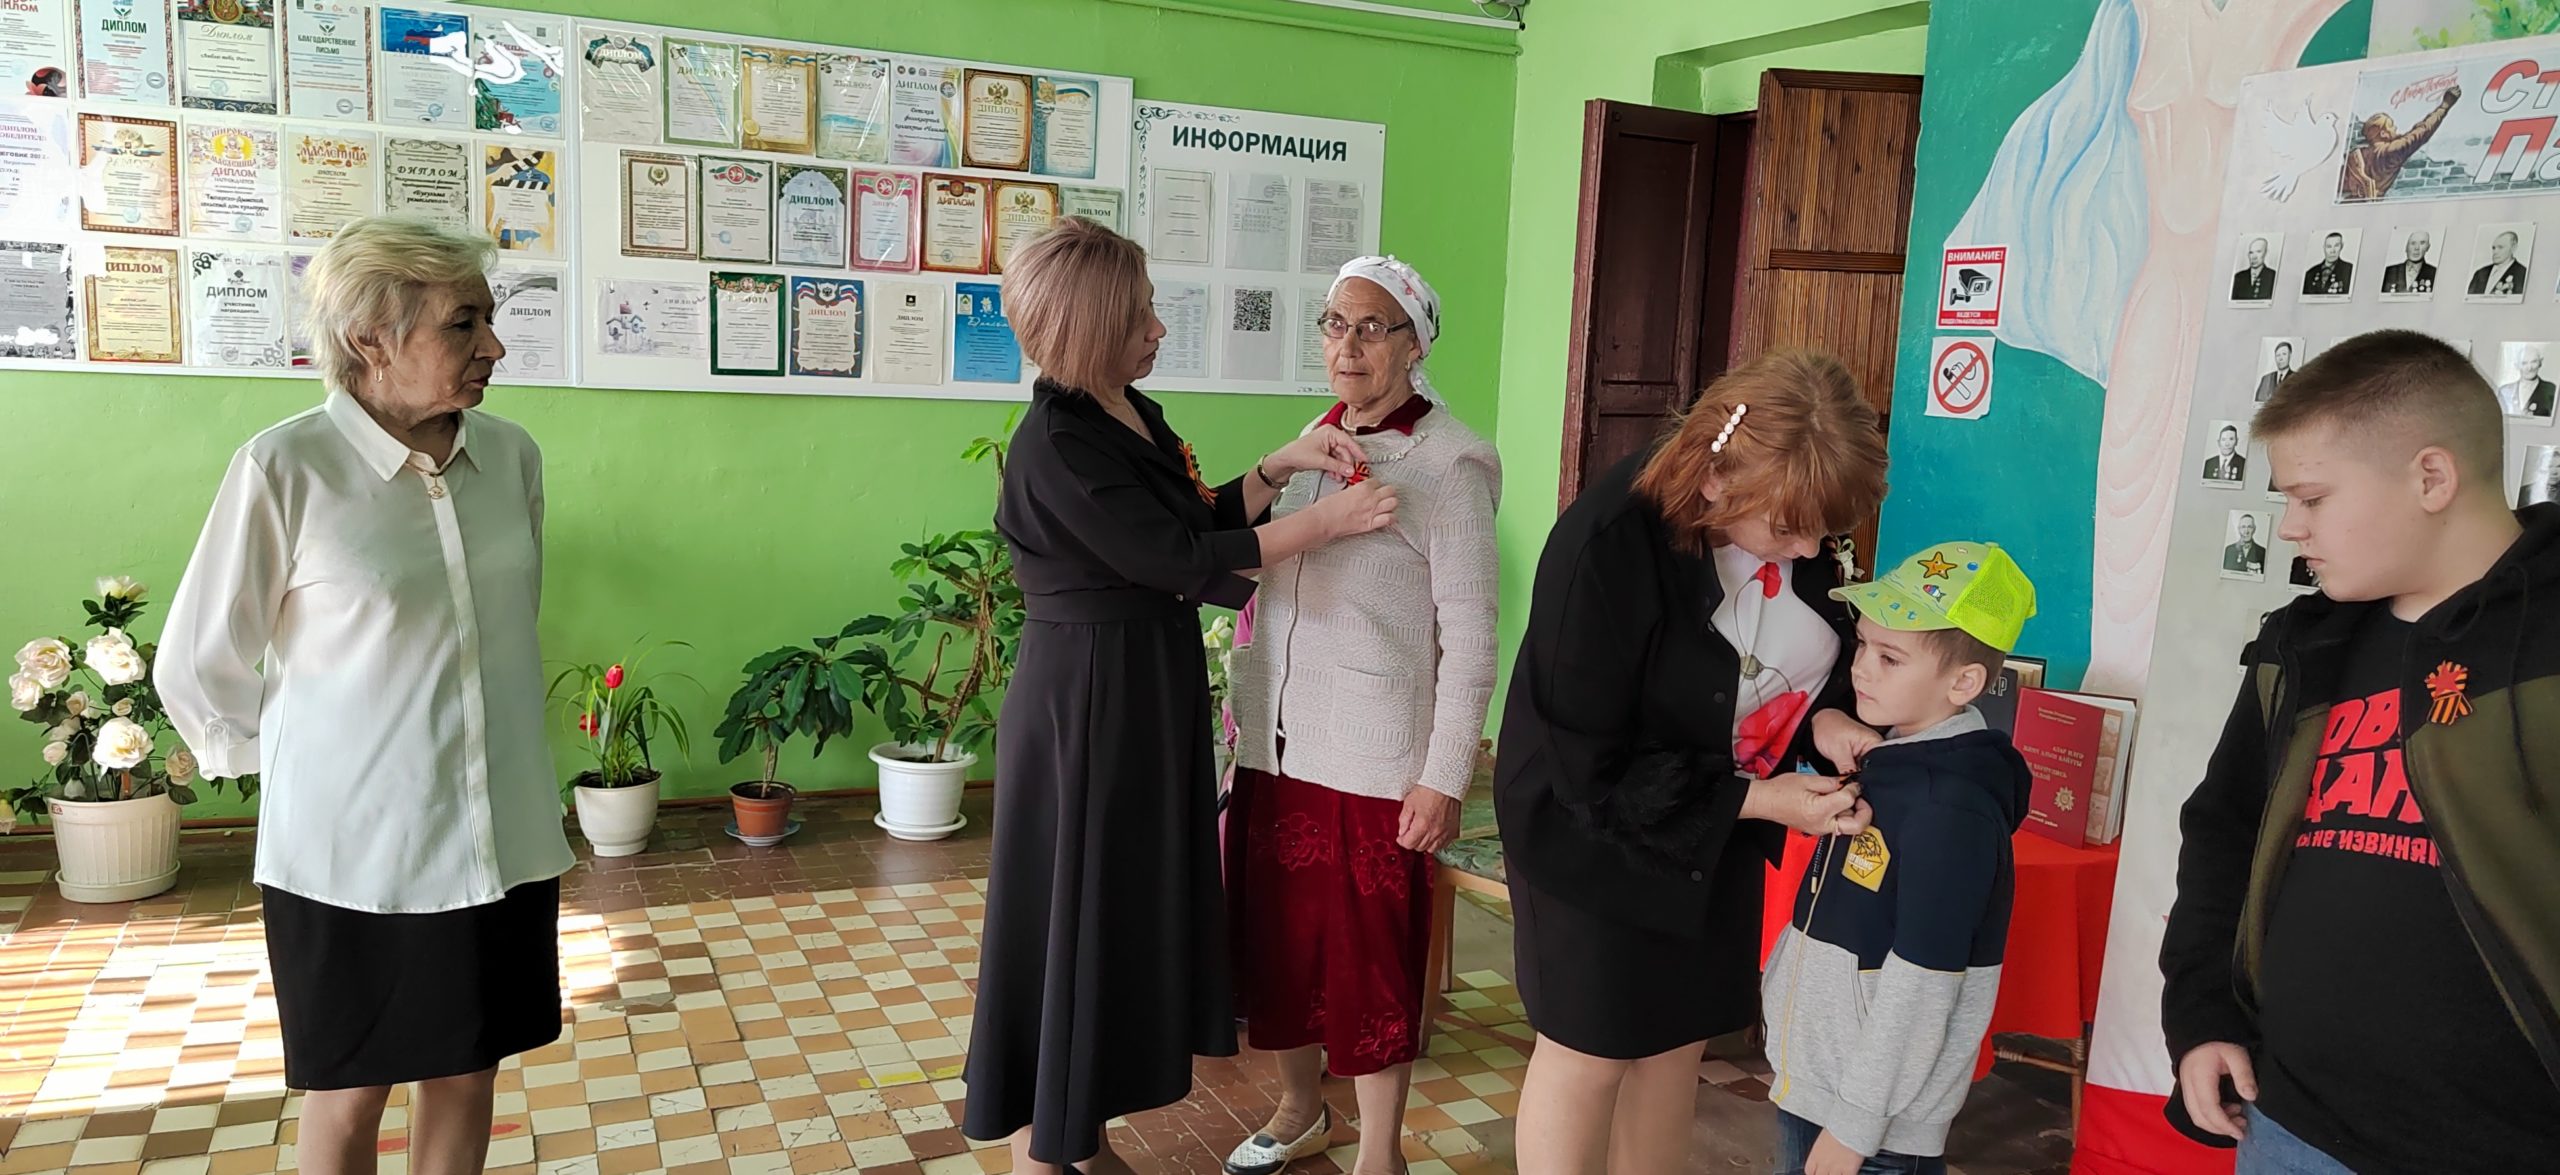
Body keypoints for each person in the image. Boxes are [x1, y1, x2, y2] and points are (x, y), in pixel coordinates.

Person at [961, 217, 1397, 1175]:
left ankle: (1078, 1130)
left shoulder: (1125, 410)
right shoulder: (1057, 445)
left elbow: (1197, 519)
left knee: (1120, 910)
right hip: (1088, 699)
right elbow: (1176, 560)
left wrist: (1279, 467)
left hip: (1140, 684)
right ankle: (1049, 1143)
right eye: (1141, 317)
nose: (1159, 329)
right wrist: (1326, 522)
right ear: (1089, 329)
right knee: (1081, 907)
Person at [156, 216, 570, 1175]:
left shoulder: (512, 459)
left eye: (489, 319)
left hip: (497, 832)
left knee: (468, 1071)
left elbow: (506, 625)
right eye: (463, 324)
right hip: (352, 854)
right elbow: (199, 660)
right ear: (369, 338)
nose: (494, 347)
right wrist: (303, 766)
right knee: (351, 1090)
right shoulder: (285, 468)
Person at [2162, 330, 2560, 1173]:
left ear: (2431, 478)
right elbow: (2222, 835)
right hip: (2289, 1125)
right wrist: (2202, 1014)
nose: (2290, 527)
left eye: (2311, 498)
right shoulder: (2304, 648)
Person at [1496, 350, 1888, 1174]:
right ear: (1715, 480)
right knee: (1591, 1048)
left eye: (1823, 531)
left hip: (1718, 834)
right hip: (1592, 828)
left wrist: (1828, 722)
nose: (1808, 548)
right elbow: (1589, 772)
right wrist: (1765, 799)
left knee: (1674, 1045)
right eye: (1789, 529)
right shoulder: (1606, 546)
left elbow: (1806, 656)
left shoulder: (1801, 515)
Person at [1219, 256, 1501, 1175]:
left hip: (1376, 763)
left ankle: (1381, 1151)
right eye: (1335, 324)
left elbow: (1473, 640)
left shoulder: (1451, 463)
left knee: (1368, 966)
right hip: (1277, 745)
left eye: (1372, 328)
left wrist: (1443, 776)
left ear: (1415, 346)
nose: (1348, 346)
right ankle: (1302, 1109)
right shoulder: (1316, 439)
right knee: (1281, 951)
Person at [1764, 541, 2037, 1175]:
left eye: (1889, 658)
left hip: (1872, 1132)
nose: (1861, 669)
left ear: (1963, 683)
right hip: (1818, 1089)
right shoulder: (1893, 761)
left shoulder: (1951, 808)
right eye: (1862, 645)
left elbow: (1922, 986)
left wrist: (1855, 1127)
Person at [2337, 86, 2458, 202]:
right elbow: (2421, 132)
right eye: (2391, 126)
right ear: (2383, 134)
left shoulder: (2358, 154)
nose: (2395, 128)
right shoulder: (2390, 152)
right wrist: (2444, 106)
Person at [2497, 347, 2553, 419]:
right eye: (2524, 363)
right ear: (2516, 365)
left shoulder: (2551, 390)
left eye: (2534, 361)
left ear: (2540, 362)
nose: (2529, 368)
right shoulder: (2504, 391)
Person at [2469, 230, 2528, 296]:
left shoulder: (2523, 274)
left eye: (2500, 247)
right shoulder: (2480, 273)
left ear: (2513, 248)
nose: (2495, 252)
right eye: (2493, 248)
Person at [2300, 232, 2352, 297]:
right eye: (2329, 246)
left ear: (2341, 246)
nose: (2332, 251)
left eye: (2336, 245)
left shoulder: (2349, 270)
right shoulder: (2310, 274)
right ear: (2324, 248)